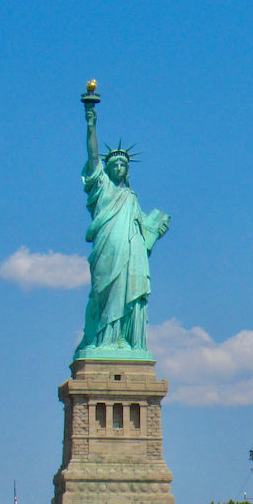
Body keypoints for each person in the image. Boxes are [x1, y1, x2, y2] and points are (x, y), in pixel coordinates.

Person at [77, 95, 170, 356]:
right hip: (107, 250)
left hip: (131, 255)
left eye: (123, 164)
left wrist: (156, 231)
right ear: (106, 169)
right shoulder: (102, 188)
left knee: (128, 293)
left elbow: (144, 234)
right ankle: (103, 339)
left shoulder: (132, 197)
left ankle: (123, 341)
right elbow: (93, 156)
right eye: (114, 164)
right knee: (104, 292)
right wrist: (91, 123)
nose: (119, 167)